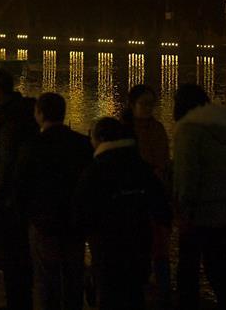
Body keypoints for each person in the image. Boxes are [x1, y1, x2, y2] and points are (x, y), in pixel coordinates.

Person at [73, 117, 170, 310]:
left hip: (107, 247)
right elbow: (160, 204)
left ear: (99, 138)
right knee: (135, 294)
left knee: (109, 297)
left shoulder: (95, 170)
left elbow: (81, 210)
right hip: (139, 243)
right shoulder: (140, 167)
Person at [15, 92, 93, 310]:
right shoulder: (83, 144)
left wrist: (24, 215)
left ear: (38, 114)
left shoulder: (31, 146)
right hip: (74, 221)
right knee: (73, 276)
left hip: (43, 221)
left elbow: (21, 185)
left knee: (46, 279)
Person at [172, 84, 226, 310]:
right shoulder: (220, 131)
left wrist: (184, 209)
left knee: (188, 269)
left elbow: (187, 173)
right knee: (218, 267)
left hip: (200, 211)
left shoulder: (188, 130)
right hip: (225, 210)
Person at [0, 68, 38, 310]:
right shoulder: (21, 113)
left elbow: (5, 160)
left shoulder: (7, 120)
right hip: (18, 196)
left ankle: (17, 302)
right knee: (18, 254)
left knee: (13, 255)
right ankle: (18, 300)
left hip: (8, 199)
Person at [123, 85, 172, 303]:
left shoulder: (157, 128)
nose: (149, 108)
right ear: (132, 105)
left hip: (153, 195)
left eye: (152, 104)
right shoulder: (125, 129)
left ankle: (162, 293)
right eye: (144, 104)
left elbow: (163, 161)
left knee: (159, 248)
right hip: (133, 198)